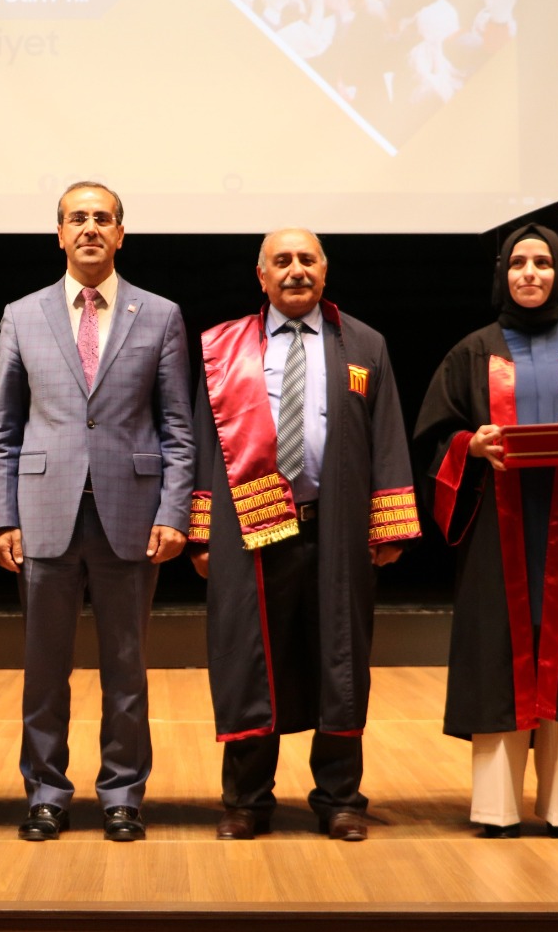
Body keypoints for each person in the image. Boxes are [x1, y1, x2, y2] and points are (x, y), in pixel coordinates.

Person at [412, 203, 558, 839]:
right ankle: (496, 807)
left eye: (542, 262)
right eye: (518, 262)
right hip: (500, 532)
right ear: (502, 273)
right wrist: (471, 446)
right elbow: (436, 437)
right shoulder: (473, 352)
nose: (530, 272)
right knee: (500, 653)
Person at [188, 228, 420, 842]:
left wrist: (389, 523)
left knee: (340, 662)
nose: (296, 270)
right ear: (261, 275)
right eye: (282, 260)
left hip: (336, 528)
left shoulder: (364, 344)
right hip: (249, 530)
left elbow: (387, 435)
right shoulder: (226, 347)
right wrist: (203, 534)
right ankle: (246, 801)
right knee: (247, 661)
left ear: (325, 269)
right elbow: (205, 442)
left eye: (307, 259)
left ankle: (340, 799)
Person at [0, 181, 195, 842]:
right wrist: (3, 516)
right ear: (59, 233)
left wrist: (174, 511)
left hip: (131, 514)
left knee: (126, 668)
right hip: (42, 512)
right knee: (43, 669)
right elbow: (3, 429)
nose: (90, 228)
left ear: (120, 233)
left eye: (102, 218)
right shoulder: (21, 314)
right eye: (77, 218)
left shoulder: (159, 314)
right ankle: (46, 793)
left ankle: (122, 795)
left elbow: (178, 427)